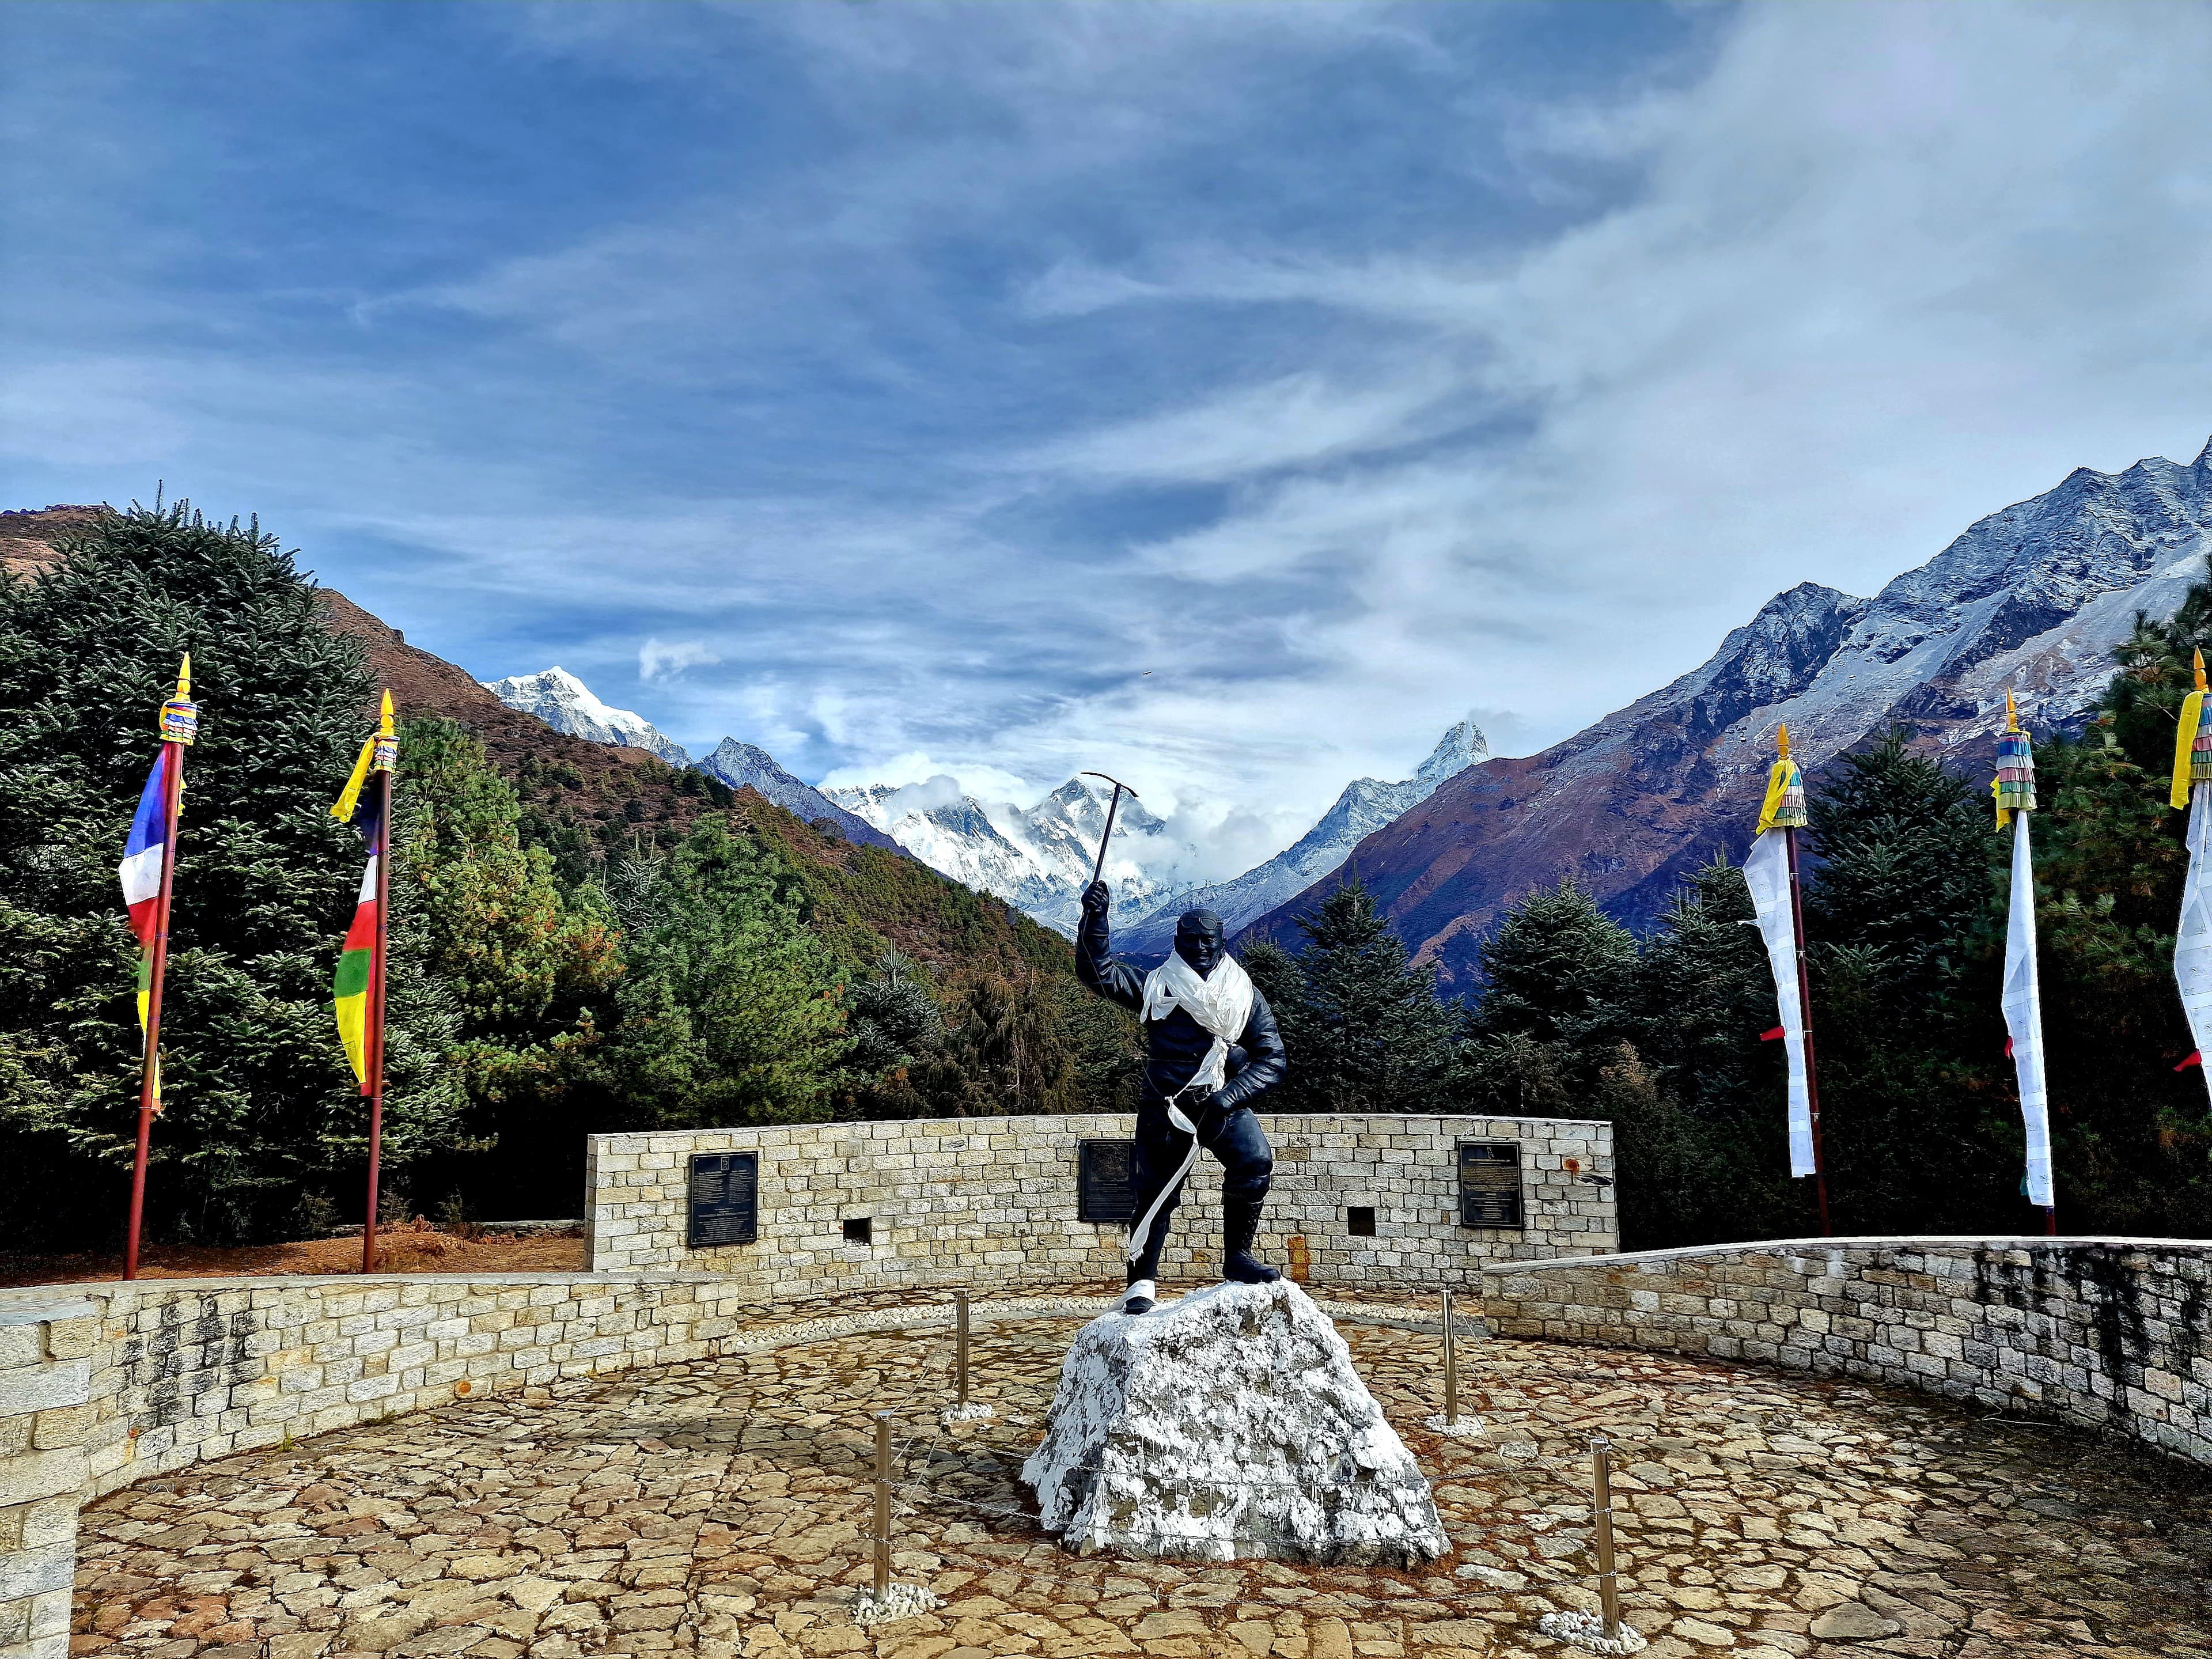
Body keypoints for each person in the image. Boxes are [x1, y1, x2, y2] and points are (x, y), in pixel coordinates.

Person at [1076, 878, 1287, 1315]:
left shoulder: (1244, 995)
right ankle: (1141, 1283)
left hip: (1223, 1100)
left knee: (1255, 1163)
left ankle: (1238, 1258)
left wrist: (1228, 1098)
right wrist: (1096, 919)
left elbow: (1273, 1059)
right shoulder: (1157, 987)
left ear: (1222, 942)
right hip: (1167, 1103)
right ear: (1177, 943)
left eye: (1208, 941)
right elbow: (1099, 974)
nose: (1200, 948)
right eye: (1190, 941)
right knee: (1155, 1191)